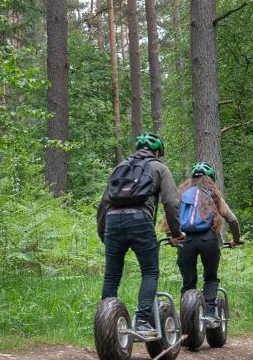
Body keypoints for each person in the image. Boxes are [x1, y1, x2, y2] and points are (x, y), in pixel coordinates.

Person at [97, 133, 185, 332]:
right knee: (149, 271)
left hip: (112, 220)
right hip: (139, 220)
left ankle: (106, 326)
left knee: (111, 276)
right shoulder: (159, 168)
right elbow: (171, 202)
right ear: (156, 152)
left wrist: (104, 232)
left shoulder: (120, 167)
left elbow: (104, 203)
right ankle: (142, 321)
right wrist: (176, 232)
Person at [174, 162, 242, 319]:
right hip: (209, 240)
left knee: (188, 282)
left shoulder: (184, 194)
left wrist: (174, 236)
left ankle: (186, 317)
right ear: (211, 179)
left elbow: (173, 216)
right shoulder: (213, 194)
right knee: (210, 277)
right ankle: (211, 312)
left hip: (185, 241)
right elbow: (232, 220)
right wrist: (236, 240)